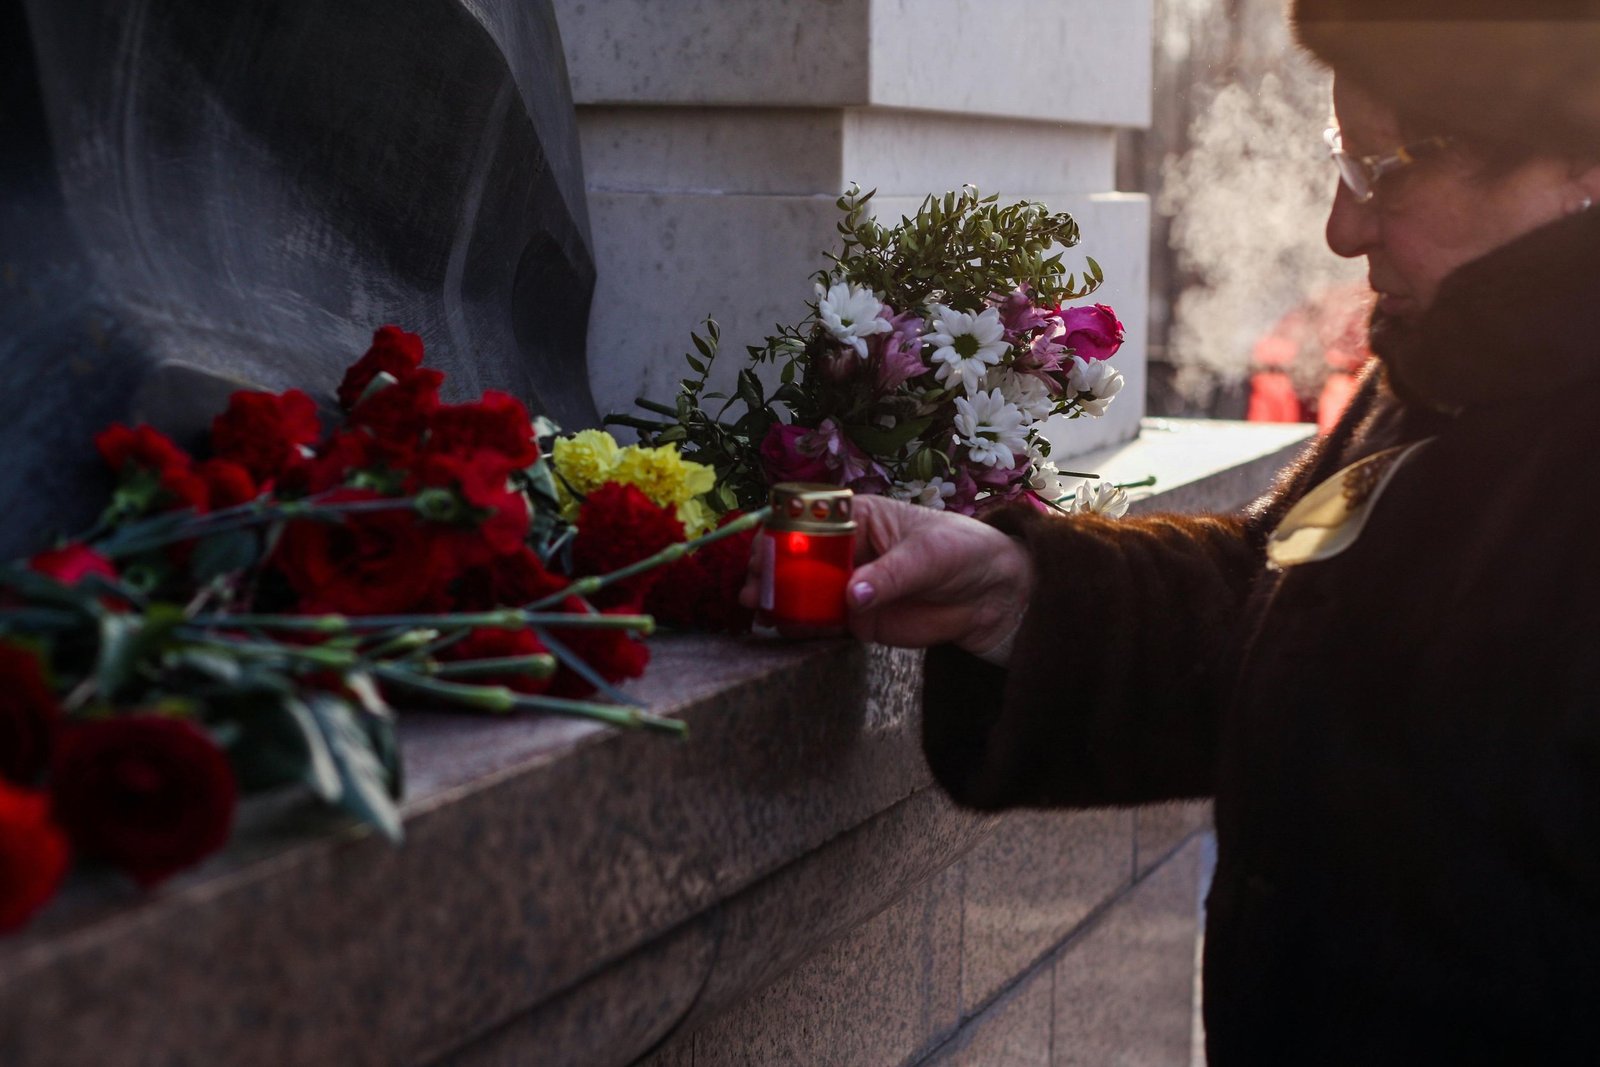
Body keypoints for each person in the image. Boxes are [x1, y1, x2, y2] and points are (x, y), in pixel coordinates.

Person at [744, 2, 1600, 1061]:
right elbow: (1285, 592)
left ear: (1575, 155)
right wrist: (1024, 592)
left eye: (1387, 170)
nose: (1343, 228)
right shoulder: (1461, 363)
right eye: (1343, 158)